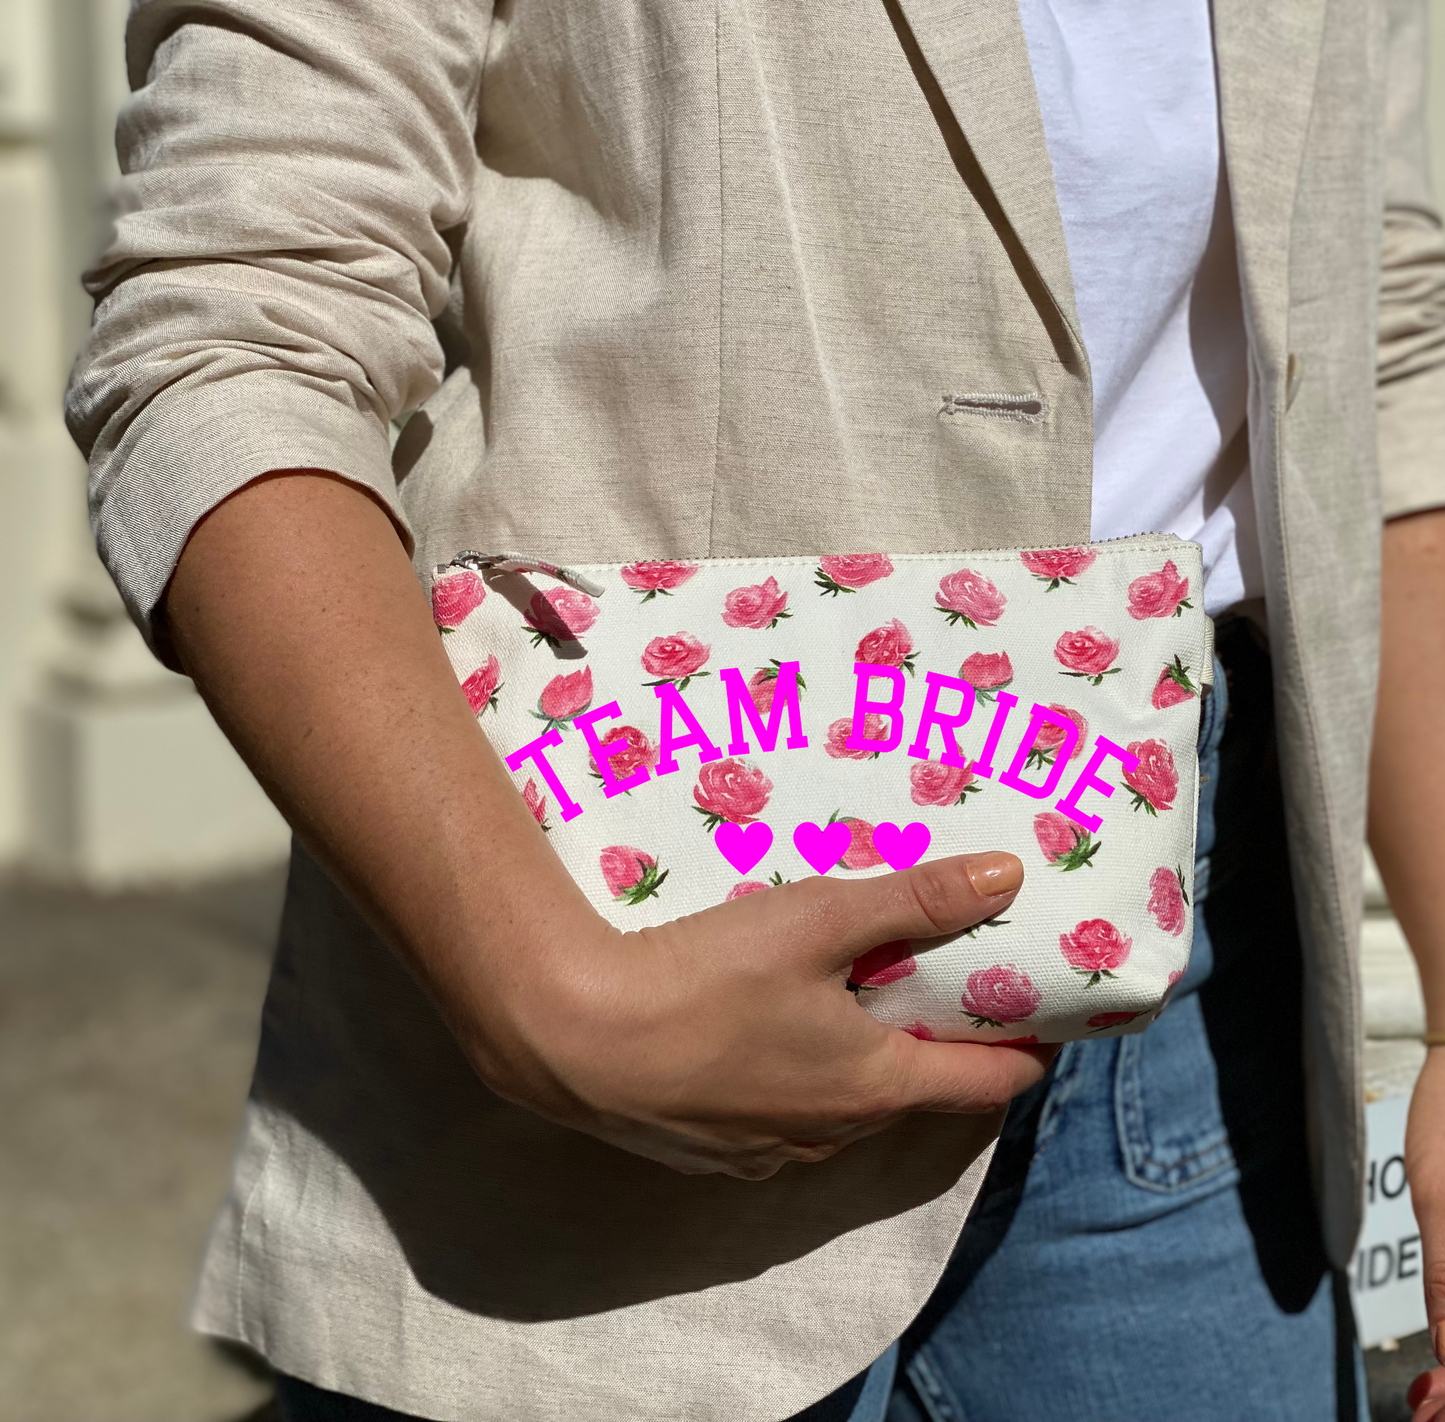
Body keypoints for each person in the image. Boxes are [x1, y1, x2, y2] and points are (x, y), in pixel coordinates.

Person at [64, 0, 1445, 1419]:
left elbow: (1376, 340)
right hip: (592, 970)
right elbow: (227, 338)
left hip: (1185, 1038)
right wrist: (547, 993)